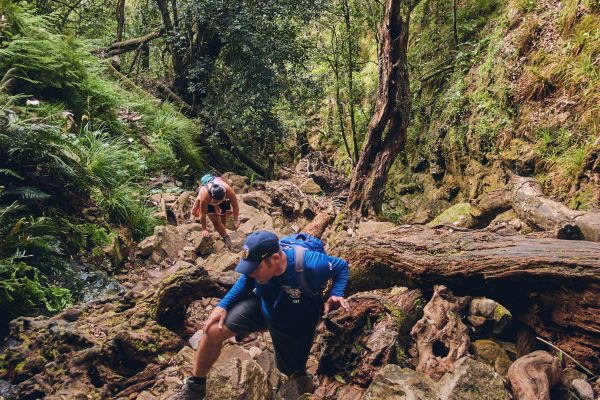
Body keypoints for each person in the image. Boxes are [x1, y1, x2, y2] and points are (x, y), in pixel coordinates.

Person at [174, 230, 350, 399]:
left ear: (274, 259)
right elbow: (246, 280)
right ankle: (195, 388)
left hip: (296, 323)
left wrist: (337, 292)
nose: (251, 273)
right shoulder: (257, 267)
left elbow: (341, 266)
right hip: (262, 305)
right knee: (212, 330)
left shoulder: (312, 264)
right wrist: (223, 305)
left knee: (291, 372)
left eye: (254, 269)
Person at [190, 175, 240, 244]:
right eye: (216, 201)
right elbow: (203, 214)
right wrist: (204, 229)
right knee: (216, 221)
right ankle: (226, 239)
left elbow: (235, 206)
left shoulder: (229, 191)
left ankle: (221, 233)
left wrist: (236, 220)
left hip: (222, 200)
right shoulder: (205, 196)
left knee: (223, 217)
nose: (218, 202)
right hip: (210, 202)